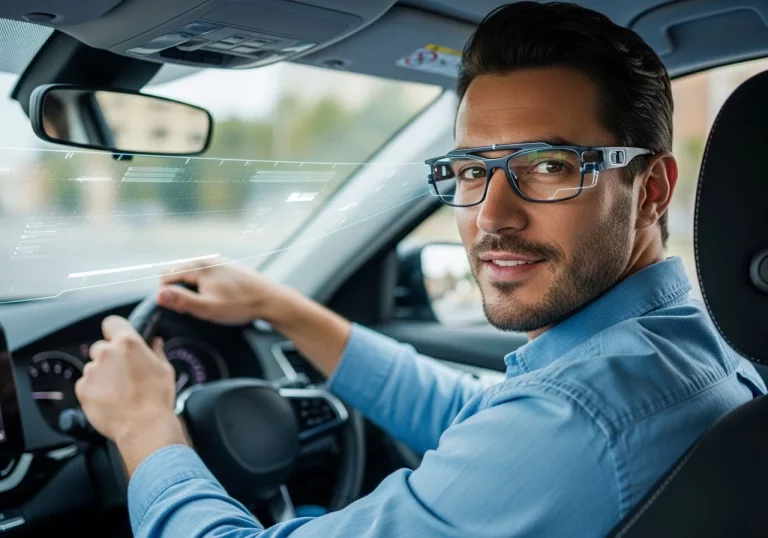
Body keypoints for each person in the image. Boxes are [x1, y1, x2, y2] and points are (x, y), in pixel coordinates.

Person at [74, 2, 766, 536]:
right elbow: (481, 416)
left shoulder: (582, 421)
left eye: (548, 167)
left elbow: (543, 430)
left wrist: (144, 429)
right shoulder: (695, 344)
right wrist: (282, 306)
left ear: (651, 190)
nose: (492, 215)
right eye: (471, 170)